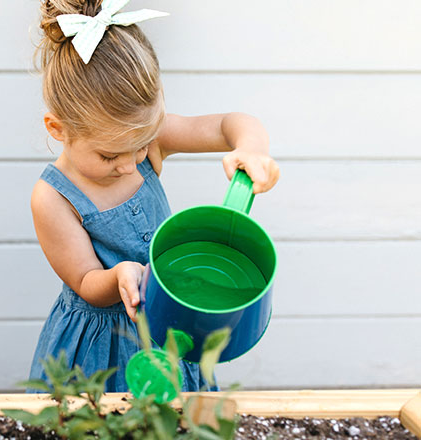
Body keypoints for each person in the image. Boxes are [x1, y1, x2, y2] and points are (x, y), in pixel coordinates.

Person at [27, 0, 281, 393]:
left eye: (141, 146)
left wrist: (251, 149)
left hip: (169, 322)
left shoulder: (153, 140)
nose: (130, 165)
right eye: (109, 155)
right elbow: (84, 280)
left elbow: (235, 124)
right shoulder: (53, 198)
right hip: (103, 343)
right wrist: (118, 276)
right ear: (57, 128)